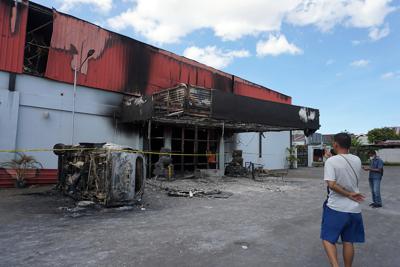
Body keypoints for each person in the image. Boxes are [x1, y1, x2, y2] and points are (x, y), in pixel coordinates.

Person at [321, 132, 365, 267]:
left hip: (336, 208)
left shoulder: (331, 162)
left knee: (327, 239)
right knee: (348, 241)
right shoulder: (357, 159)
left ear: (335, 144)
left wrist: (347, 194)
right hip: (354, 209)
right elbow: (343, 162)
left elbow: (331, 185)